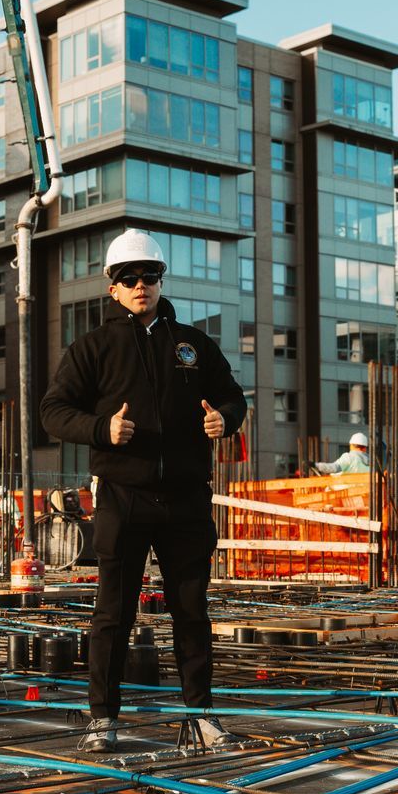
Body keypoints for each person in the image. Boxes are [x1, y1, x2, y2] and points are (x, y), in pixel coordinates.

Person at [41, 229, 247, 754]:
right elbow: (54, 412)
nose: (140, 285)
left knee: (191, 610)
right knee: (114, 611)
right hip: (123, 497)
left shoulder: (193, 344)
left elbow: (231, 396)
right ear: (112, 288)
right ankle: (103, 719)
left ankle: (200, 714)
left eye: (149, 276)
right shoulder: (92, 348)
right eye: (129, 278)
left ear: (160, 282)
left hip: (184, 499)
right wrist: (101, 429)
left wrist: (224, 419)